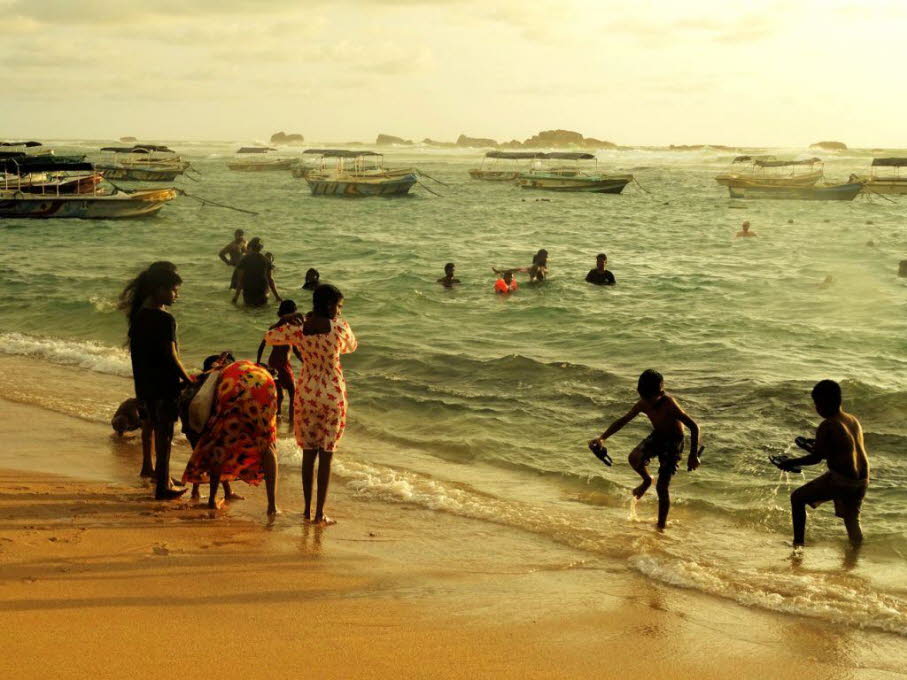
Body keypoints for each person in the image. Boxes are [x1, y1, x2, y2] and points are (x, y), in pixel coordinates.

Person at [263, 284, 357, 525]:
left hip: (306, 393)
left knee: (308, 454)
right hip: (331, 394)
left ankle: (306, 510)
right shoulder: (339, 327)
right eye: (338, 306)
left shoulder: (299, 327)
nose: (339, 311)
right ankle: (319, 514)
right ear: (328, 305)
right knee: (326, 454)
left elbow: (270, 337)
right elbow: (351, 346)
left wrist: (285, 318)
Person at [589, 369, 701, 530]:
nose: (648, 402)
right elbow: (623, 420)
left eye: (651, 398)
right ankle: (647, 479)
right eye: (644, 397)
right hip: (658, 436)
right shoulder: (643, 403)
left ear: (660, 393)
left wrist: (693, 455)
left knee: (662, 487)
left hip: (674, 442)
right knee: (634, 457)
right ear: (639, 393)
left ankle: (660, 527)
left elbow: (694, 427)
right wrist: (602, 438)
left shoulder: (669, 403)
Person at [119, 263, 193, 500]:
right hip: (164, 385)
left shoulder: (139, 314)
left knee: (156, 429)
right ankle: (163, 485)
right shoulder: (165, 319)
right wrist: (188, 379)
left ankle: (163, 479)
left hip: (145, 384)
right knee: (165, 435)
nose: (176, 295)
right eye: (173, 290)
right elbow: (171, 356)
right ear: (160, 289)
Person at [776, 380, 869, 547]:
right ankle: (855, 554)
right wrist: (816, 447)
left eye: (816, 404)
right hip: (862, 480)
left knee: (797, 498)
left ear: (821, 404)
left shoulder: (828, 425)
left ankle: (798, 545)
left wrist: (790, 462)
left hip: (841, 480)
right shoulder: (852, 420)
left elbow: (816, 458)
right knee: (851, 519)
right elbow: (843, 452)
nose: (816, 408)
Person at [182, 360, 280, 515]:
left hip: (232, 387)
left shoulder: (214, 374)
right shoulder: (254, 369)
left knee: (221, 443)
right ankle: (272, 506)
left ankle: (212, 500)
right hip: (265, 386)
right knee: (267, 445)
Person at [178, 353, 244, 504]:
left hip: (190, 423)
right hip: (202, 424)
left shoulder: (199, 380)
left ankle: (206, 491)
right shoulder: (219, 383)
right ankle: (210, 495)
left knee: (199, 455)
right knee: (214, 458)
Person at [256, 299, 304, 422]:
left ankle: (277, 418)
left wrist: (258, 362)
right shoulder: (287, 328)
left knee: (280, 395)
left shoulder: (276, 327)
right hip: (282, 364)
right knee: (293, 393)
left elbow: (262, 345)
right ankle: (292, 422)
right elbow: (295, 350)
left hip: (272, 363)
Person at [232, 237, 281, 307]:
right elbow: (270, 280)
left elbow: (240, 280)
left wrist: (236, 297)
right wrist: (277, 296)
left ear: (251, 246)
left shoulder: (244, 260)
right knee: (262, 312)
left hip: (249, 292)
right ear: (261, 248)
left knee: (248, 311)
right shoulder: (266, 260)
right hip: (263, 292)